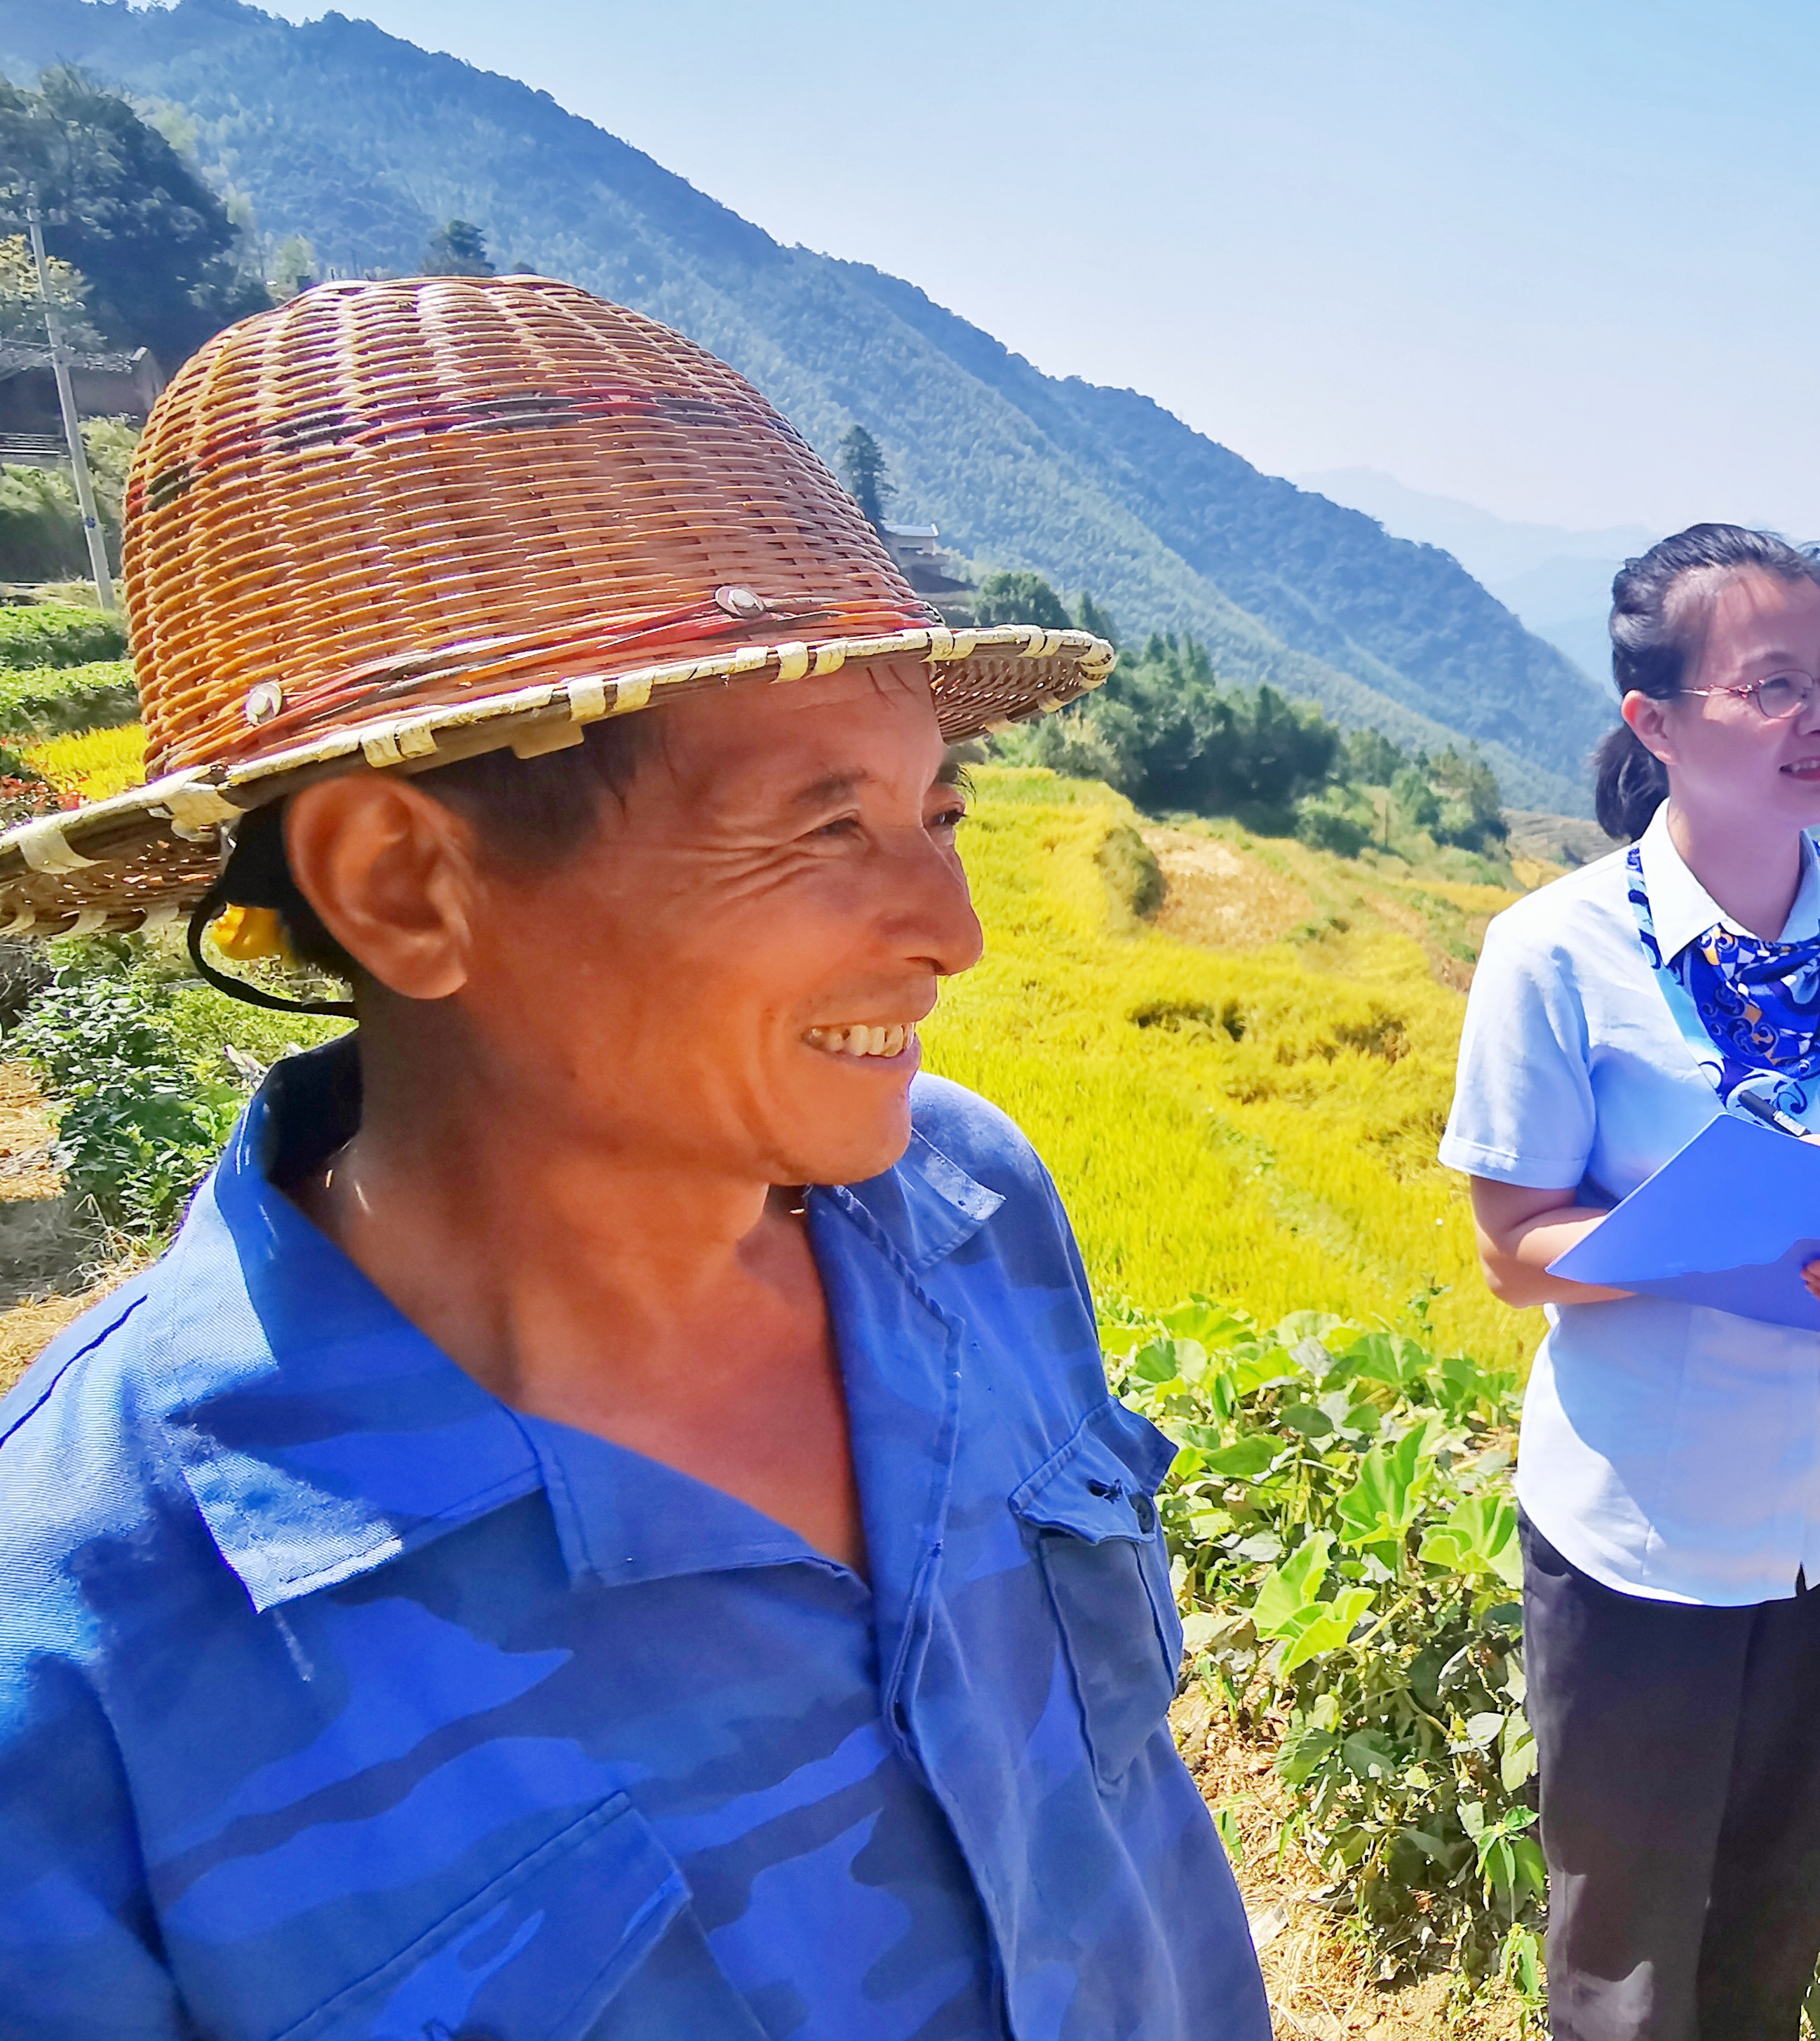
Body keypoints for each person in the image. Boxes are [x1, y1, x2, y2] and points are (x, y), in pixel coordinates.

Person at [0, 278, 1272, 2036]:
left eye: (939, 812)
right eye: (829, 826)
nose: (954, 928)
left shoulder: (969, 1215)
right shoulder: (95, 1639)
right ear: (401, 885)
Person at [1441, 523, 1820, 2041]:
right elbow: (1510, 1244)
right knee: (1625, 1952)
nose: (1819, 716)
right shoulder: (1553, 954)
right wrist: (1702, 1243)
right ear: (1657, 723)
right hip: (1646, 1528)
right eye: (1769, 685)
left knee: (1772, 1902)